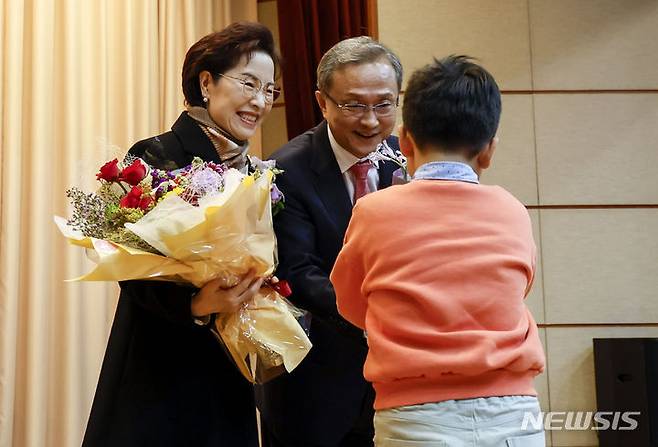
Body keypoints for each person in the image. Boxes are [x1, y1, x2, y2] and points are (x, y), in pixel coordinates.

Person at [330, 55, 547, 447]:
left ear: (405, 139)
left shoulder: (374, 211)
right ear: (489, 150)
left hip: (414, 416)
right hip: (514, 411)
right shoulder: (512, 210)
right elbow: (516, 289)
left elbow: (350, 303)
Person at [82, 22, 280, 447]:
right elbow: (131, 269)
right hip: (158, 364)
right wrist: (195, 304)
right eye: (249, 84)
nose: (260, 101)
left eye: (269, 90)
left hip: (228, 369)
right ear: (206, 82)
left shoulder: (259, 173)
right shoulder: (155, 155)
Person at [255, 37, 403, 447]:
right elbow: (300, 273)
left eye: (384, 104)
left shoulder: (406, 162)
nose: (371, 121)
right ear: (323, 102)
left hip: (399, 389)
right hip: (316, 388)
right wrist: (382, 320)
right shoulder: (286, 170)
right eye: (354, 105)